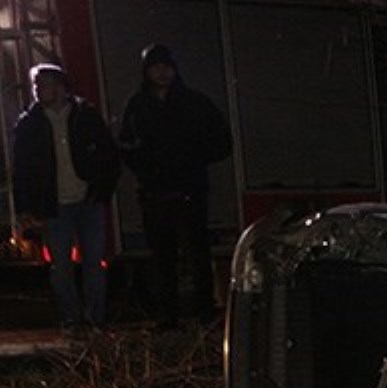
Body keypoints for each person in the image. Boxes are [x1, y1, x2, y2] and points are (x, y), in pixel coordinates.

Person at [117, 44, 232, 329]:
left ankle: (205, 312)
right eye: (155, 67)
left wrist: (193, 159)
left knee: (198, 255)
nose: (162, 72)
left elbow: (223, 141)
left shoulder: (195, 102)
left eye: (167, 66)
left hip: (190, 190)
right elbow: (125, 144)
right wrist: (145, 167)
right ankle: (167, 316)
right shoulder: (137, 105)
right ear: (146, 71)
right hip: (154, 193)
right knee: (162, 258)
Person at [11, 63, 120, 334]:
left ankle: (95, 320)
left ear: (60, 87)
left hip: (87, 201)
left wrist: (101, 189)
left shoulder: (85, 116)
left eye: (43, 84)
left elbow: (109, 155)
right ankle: (72, 320)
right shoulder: (30, 124)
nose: (37, 90)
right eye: (36, 85)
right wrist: (26, 208)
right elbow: (21, 169)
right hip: (55, 206)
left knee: (93, 264)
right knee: (61, 268)